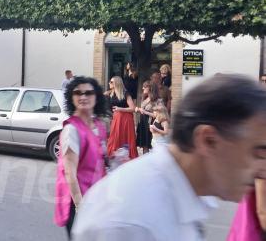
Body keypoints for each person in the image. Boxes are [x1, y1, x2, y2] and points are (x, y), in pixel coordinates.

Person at [72, 74, 266, 240]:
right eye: (258, 153)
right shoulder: (130, 222)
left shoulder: (196, 192)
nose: (262, 169)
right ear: (209, 141)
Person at [54, 76, 109, 239]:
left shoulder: (98, 125)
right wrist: (80, 206)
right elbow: (69, 172)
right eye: (78, 93)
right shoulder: (71, 130)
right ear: (72, 98)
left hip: (97, 197)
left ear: (96, 97)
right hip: (78, 201)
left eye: (88, 93)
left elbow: (100, 159)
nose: (83, 97)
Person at [106, 76, 137, 159]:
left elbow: (133, 108)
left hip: (126, 118)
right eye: (110, 82)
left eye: (111, 82)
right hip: (116, 118)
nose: (109, 83)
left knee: (125, 137)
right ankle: (113, 155)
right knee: (114, 136)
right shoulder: (111, 93)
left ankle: (127, 157)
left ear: (117, 83)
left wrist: (120, 109)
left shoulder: (125, 93)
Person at [134, 81, 153, 154]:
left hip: (149, 122)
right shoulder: (145, 97)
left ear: (149, 88)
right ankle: (146, 160)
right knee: (144, 144)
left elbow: (156, 114)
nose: (142, 88)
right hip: (142, 121)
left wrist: (144, 111)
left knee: (148, 143)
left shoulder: (155, 99)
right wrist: (138, 109)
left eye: (144, 87)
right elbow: (142, 109)